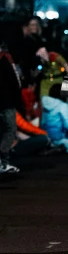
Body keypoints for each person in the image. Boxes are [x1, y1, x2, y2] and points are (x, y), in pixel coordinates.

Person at [0, 43, 23, 174]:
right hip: (6, 101)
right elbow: (16, 80)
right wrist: (18, 100)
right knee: (9, 129)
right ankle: (3, 161)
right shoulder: (6, 57)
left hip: (5, 100)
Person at [40, 84, 68, 154]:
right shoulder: (63, 105)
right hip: (58, 138)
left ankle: (52, 147)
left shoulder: (43, 102)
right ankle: (57, 149)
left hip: (44, 137)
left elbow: (42, 121)